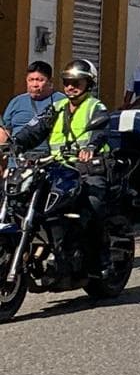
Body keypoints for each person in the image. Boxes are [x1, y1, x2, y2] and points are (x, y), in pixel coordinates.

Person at [10, 60, 112, 272]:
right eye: (67, 82)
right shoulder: (56, 108)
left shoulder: (95, 107)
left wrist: (91, 147)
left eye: (77, 82)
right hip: (58, 167)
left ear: (89, 84)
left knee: (93, 206)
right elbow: (34, 130)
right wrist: (15, 144)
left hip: (88, 169)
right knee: (24, 196)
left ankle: (103, 260)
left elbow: (100, 130)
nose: (70, 87)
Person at [0, 61, 66, 148]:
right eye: (31, 80)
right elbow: (5, 130)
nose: (34, 85)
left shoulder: (62, 101)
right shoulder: (17, 102)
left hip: (48, 158)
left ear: (50, 82)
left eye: (40, 80)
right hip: (18, 159)